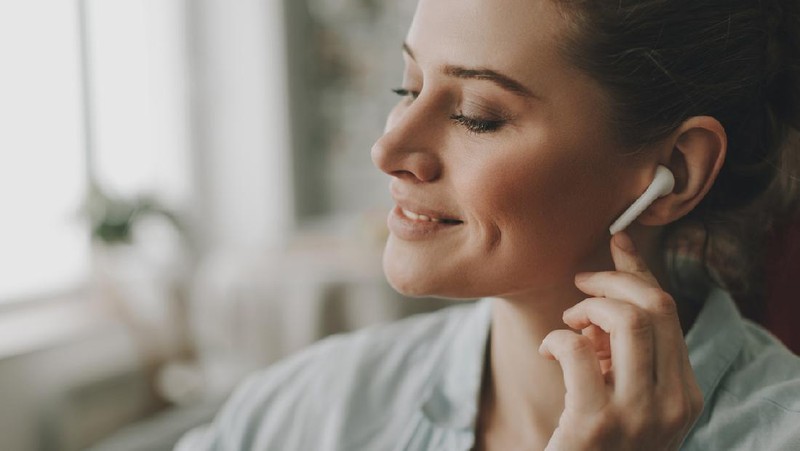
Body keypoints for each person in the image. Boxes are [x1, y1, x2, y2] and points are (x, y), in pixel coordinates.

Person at [176, 0, 800, 449]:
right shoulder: (320, 407)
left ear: (674, 171)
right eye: (408, 88)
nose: (389, 151)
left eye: (478, 116)